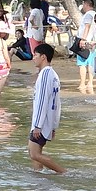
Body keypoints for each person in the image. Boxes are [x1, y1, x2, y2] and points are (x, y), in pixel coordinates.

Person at [28, 43, 65, 173]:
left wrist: (37, 125)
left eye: (35, 55)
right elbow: (56, 102)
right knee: (34, 153)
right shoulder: (53, 74)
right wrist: (54, 125)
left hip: (42, 122)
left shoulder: (45, 74)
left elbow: (42, 100)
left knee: (34, 154)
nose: (33, 58)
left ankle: (63, 172)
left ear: (43, 57)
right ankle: (39, 177)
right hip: (48, 121)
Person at [75, 0, 96, 94]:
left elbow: (87, 27)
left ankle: (83, 83)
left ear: (87, 4)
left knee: (82, 63)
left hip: (86, 41)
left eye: (83, 4)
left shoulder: (88, 15)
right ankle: (90, 82)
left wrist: (83, 39)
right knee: (91, 63)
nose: (83, 6)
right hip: (93, 41)